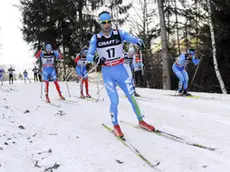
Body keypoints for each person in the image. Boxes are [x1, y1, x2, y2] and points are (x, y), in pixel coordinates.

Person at [87, 11, 155, 138]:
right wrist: (95, 58)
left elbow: (133, 38)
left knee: (132, 98)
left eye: (109, 22)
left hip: (121, 71)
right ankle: (116, 125)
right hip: (108, 73)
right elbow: (89, 55)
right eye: (104, 23)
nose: (107, 25)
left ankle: (141, 120)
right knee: (114, 100)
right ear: (100, 24)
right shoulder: (95, 38)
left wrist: (139, 41)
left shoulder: (119, 33)